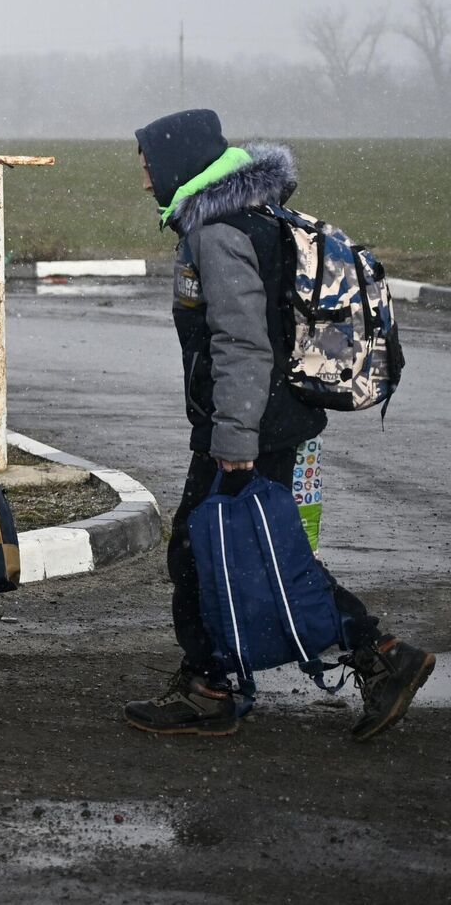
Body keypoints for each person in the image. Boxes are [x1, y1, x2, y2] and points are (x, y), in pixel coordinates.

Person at [125, 109, 434, 739]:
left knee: (212, 554)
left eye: (148, 163)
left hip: (249, 424)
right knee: (249, 552)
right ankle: (228, 677)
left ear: (179, 161)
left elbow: (241, 342)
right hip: (268, 416)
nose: (143, 178)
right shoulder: (247, 216)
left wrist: (233, 438)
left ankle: (230, 683)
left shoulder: (217, 231)